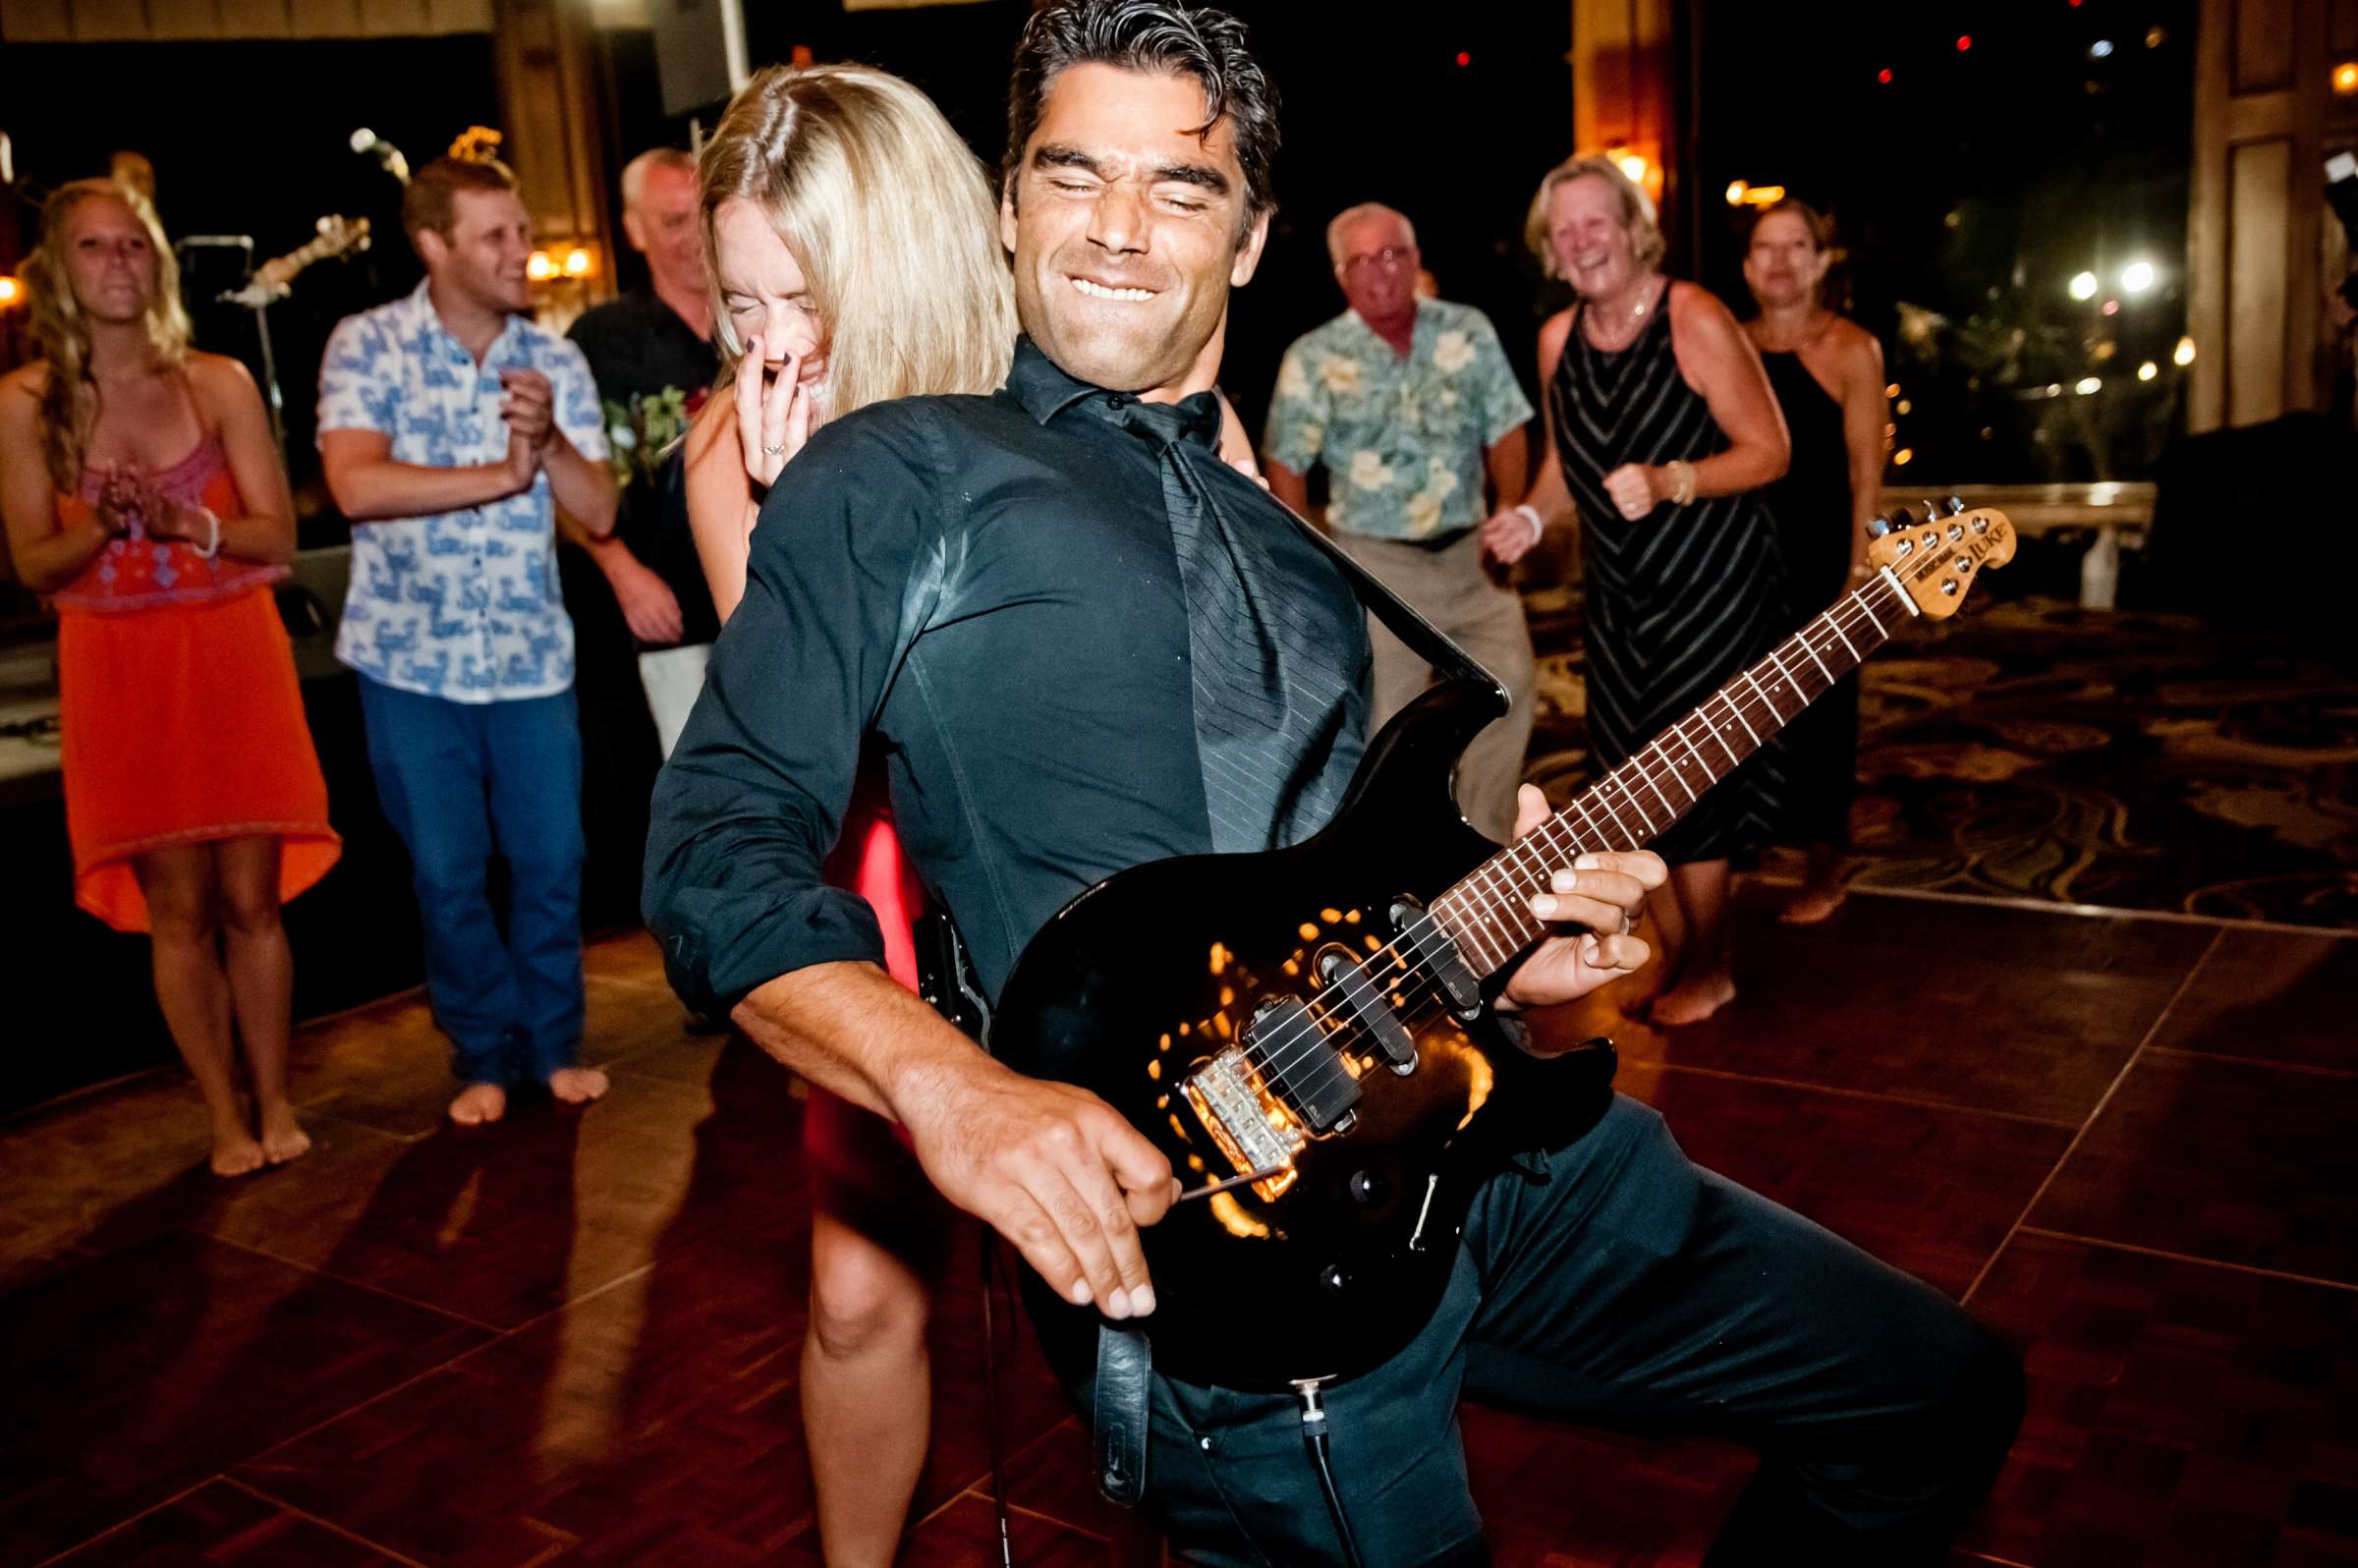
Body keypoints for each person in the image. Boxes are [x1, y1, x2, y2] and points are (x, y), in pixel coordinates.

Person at [647, 4, 2022, 1564]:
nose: (1114, 226)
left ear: (1247, 240)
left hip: (1485, 1134)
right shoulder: (896, 473)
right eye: (1072, 173)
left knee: (1936, 1390)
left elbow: (1312, 872)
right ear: (1008, 207)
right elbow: (714, 851)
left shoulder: (1295, 548)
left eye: (1181, 188)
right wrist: (950, 1088)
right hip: (1244, 1271)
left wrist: (1517, 950)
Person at [676, 63, 1019, 1568]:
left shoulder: (1034, 403)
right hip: (882, 894)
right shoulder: (727, 455)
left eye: (797, 297)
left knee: (1135, 1290)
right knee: (862, 1289)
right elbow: (821, 744)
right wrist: (805, 510)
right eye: (739, 306)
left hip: (1070, 869)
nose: (769, 343)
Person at [0, 178, 340, 1176]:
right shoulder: (25, 404)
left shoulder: (219, 380)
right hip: (119, 667)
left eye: (134, 247)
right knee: (179, 911)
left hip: (232, 650)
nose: (119, 265)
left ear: (158, 263)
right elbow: (30, 564)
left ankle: (277, 1100)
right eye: (96, 249)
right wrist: (99, 528)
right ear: (60, 271)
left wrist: (195, 526)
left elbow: (277, 536)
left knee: (252, 902)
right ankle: (223, 1117)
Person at [316, 155, 616, 1127]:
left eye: (521, 231)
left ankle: (553, 1043)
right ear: (435, 244)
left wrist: (552, 443)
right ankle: (481, 1052)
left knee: (551, 861)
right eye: (496, 235)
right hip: (410, 664)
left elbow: (600, 507)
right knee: (447, 871)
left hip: (530, 658)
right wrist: (500, 471)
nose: (522, 252)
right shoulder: (366, 345)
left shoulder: (555, 360)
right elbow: (357, 485)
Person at [1487, 155, 1790, 1028]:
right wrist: (1532, 523)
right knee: (1629, 779)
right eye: (1566, 228)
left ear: (1631, 228)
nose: (1584, 241)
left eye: (1598, 221)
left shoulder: (1692, 315)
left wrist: (1673, 481)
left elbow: (1769, 450)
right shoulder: (1557, 341)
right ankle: (1686, 954)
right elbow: (1561, 470)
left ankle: (1713, 964)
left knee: (1692, 780)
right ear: (1553, 248)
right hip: (1621, 597)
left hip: (1715, 585)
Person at [1263, 201, 1537, 842]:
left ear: (1416, 260)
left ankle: (1487, 844)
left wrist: (1508, 511)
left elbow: (1507, 427)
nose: (1381, 270)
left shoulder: (1466, 330)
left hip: (1473, 557)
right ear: (1341, 275)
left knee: (1512, 689)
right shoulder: (1314, 355)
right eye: (1363, 259)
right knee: (1391, 727)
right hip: (1377, 569)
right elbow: (1286, 459)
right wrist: (1309, 561)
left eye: (1394, 253)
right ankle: (1400, 858)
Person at [560, 147, 723, 925]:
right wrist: (622, 571)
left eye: (700, 214)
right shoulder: (599, 340)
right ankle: (701, 958)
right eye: (670, 221)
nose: (692, 236)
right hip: (661, 610)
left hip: (760, 601)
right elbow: (560, 477)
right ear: (633, 229)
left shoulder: (757, 310)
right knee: (685, 793)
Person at [1741, 198, 1888, 924]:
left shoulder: (1853, 349)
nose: (1780, 260)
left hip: (1826, 552)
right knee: (1746, 709)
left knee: (1826, 716)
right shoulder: (1731, 346)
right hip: (1744, 561)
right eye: (1766, 247)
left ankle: (1826, 870)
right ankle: (1754, 841)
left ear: (1821, 261)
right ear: (1746, 266)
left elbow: (1867, 473)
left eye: (1796, 246)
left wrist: (1860, 577)